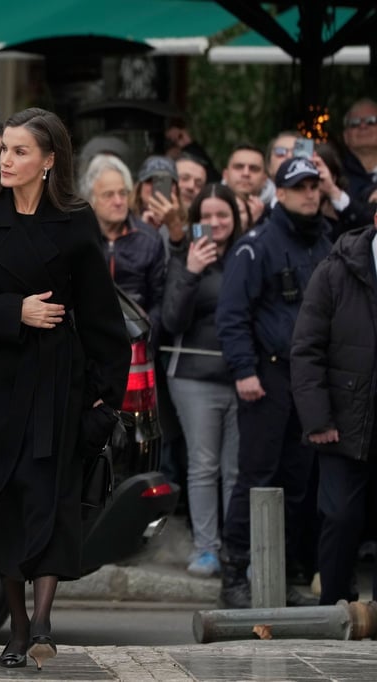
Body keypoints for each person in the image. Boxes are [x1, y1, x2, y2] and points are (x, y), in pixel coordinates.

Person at [0, 108, 130, 671]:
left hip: (56, 381)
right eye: (4, 149)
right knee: (7, 502)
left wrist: (103, 393)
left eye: (20, 151)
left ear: (49, 161)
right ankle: (17, 625)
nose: (7, 159)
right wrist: (12, 311)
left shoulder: (73, 219)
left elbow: (101, 315)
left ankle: (41, 621)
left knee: (52, 496)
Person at [215, 157, 332, 609]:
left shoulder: (325, 242)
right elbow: (232, 316)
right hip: (266, 376)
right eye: (299, 187)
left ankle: (276, 578)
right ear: (278, 194)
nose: (309, 193)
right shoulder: (257, 245)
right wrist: (244, 370)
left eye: (313, 186)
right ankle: (234, 577)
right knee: (256, 479)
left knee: (296, 483)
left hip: (308, 379)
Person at [291, 209, 377, 605]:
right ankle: (332, 611)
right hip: (343, 423)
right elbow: (307, 350)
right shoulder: (335, 270)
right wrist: (318, 419)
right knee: (340, 518)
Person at [162, 183, 244, 578]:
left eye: (222, 216)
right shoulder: (183, 258)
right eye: (206, 217)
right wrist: (192, 272)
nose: (214, 224)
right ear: (195, 222)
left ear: (235, 218)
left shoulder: (247, 254)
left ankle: (235, 548)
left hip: (242, 377)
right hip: (194, 376)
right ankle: (206, 548)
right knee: (203, 465)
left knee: (235, 469)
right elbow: (171, 320)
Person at [81, 153, 166, 339]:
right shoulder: (79, 238)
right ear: (91, 200)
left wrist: (148, 336)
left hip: (138, 342)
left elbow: (159, 301)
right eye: (108, 195)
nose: (119, 201)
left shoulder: (149, 240)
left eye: (123, 193)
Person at [132, 154, 185, 243]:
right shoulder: (125, 222)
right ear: (139, 188)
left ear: (176, 189)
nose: (156, 187)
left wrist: (174, 225)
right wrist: (143, 229)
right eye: (150, 180)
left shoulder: (189, 226)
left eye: (165, 182)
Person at [340, 98, 377, 201]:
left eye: (371, 121)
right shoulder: (335, 174)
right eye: (354, 123)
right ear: (345, 136)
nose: (363, 126)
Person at [222, 144, 268, 226]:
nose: (246, 173)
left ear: (264, 179)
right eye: (238, 167)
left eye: (254, 169)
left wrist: (259, 223)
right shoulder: (205, 205)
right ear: (225, 175)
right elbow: (199, 238)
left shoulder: (277, 214)